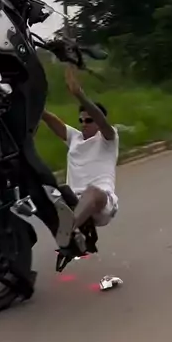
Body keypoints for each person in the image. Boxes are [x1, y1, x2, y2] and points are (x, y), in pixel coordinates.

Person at [42, 65, 119, 235]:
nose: (84, 124)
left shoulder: (108, 139)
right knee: (42, 186)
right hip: (73, 201)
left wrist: (79, 94)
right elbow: (49, 118)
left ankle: (67, 230)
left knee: (93, 191)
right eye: (81, 121)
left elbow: (101, 120)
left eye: (89, 120)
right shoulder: (74, 138)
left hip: (101, 204)